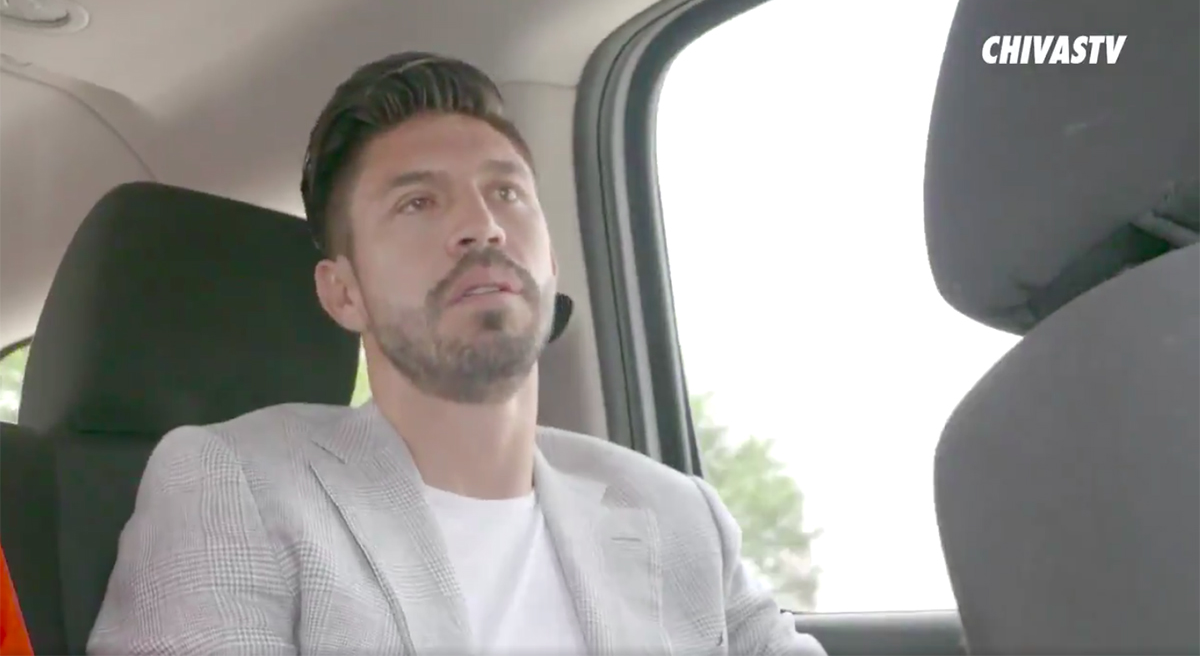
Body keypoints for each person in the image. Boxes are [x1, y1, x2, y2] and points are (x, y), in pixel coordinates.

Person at [87, 52, 826, 655]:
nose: (482, 225)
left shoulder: (677, 514)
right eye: (418, 202)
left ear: (550, 262)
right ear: (344, 293)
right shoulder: (232, 483)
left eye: (507, 193)